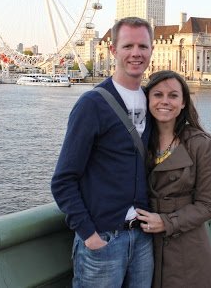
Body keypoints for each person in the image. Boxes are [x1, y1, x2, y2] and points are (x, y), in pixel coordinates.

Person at [51, 17, 155, 288]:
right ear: (113, 50)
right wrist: (89, 235)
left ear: (152, 50)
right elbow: (63, 180)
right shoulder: (92, 104)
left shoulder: (154, 102)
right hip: (104, 240)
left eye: (143, 46)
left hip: (143, 238)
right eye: (128, 46)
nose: (136, 53)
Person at [136, 70, 211, 288]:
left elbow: (208, 205)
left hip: (186, 246)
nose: (165, 101)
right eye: (158, 95)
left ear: (183, 103)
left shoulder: (201, 145)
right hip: (144, 245)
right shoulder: (138, 141)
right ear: (147, 99)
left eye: (173, 96)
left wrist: (165, 222)